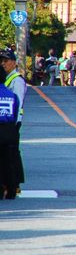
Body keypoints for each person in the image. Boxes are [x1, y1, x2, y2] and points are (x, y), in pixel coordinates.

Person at [0, 49, 26, 197]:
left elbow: (18, 103)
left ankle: (14, 184)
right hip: (8, 122)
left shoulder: (16, 80)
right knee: (8, 155)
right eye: (1, 61)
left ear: (14, 62)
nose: (3, 63)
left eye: (6, 60)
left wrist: (15, 122)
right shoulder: (6, 78)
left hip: (12, 123)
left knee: (12, 154)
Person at [0, 66, 20, 199]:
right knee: (9, 160)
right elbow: (16, 111)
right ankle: (12, 189)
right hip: (10, 130)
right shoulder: (12, 95)